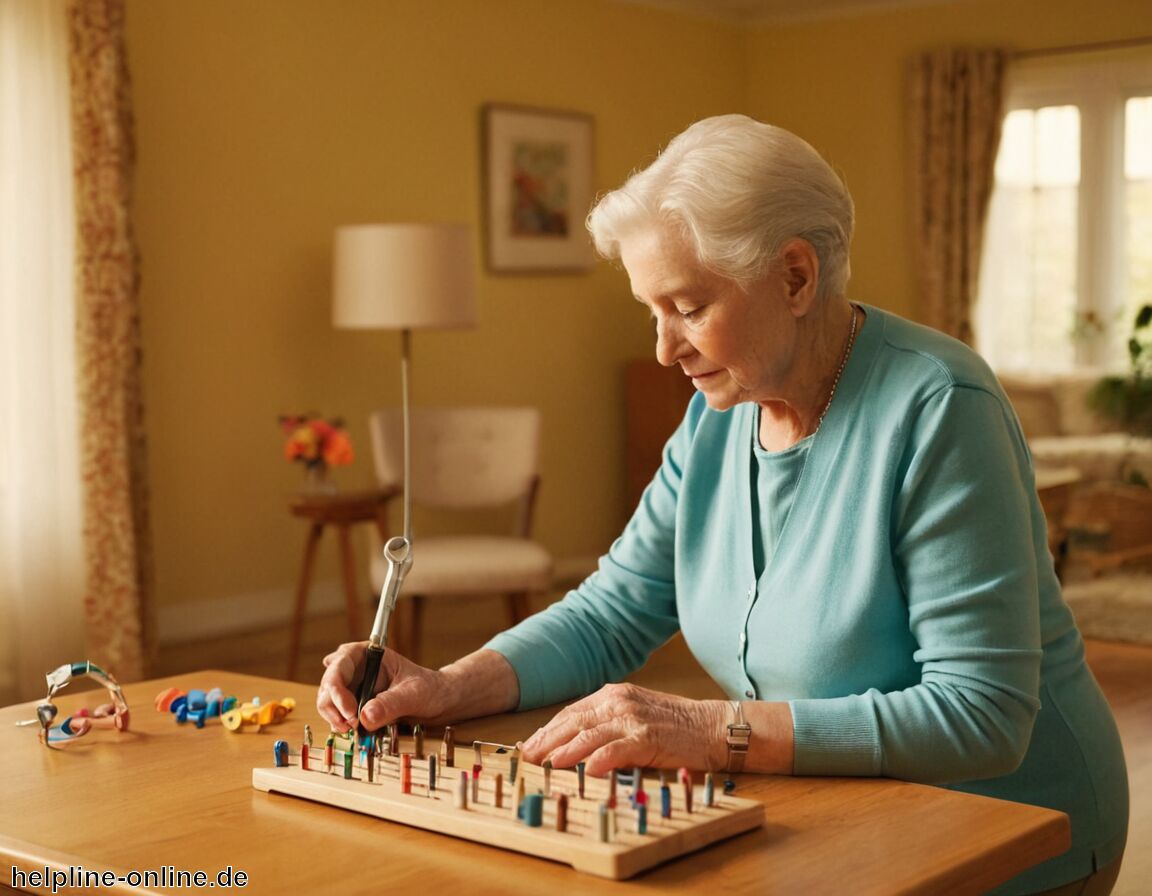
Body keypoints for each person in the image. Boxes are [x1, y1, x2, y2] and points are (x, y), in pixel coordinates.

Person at [318, 114, 1127, 895]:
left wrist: (714, 731)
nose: (664, 349)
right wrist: (447, 686)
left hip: (1014, 830)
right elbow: (612, 612)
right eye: (652, 312)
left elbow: (980, 714)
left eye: (689, 307)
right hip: (848, 811)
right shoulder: (720, 413)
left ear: (796, 277)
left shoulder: (941, 407)